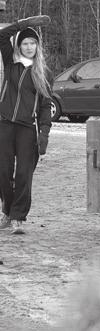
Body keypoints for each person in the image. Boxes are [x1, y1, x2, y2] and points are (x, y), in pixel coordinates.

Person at [0, 15, 52, 235]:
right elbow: (2, 35)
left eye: (33, 43)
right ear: (19, 45)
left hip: (27, 129)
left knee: (23, 174)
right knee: (3, 171)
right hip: (4, 125)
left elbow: (45, 106)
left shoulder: (44, 72)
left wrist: (44, 134)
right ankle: (7, 209)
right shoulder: (11, 63)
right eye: (25, 43)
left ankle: (17, 218)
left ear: (37, 46)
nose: (29, 47)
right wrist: (26, 23)